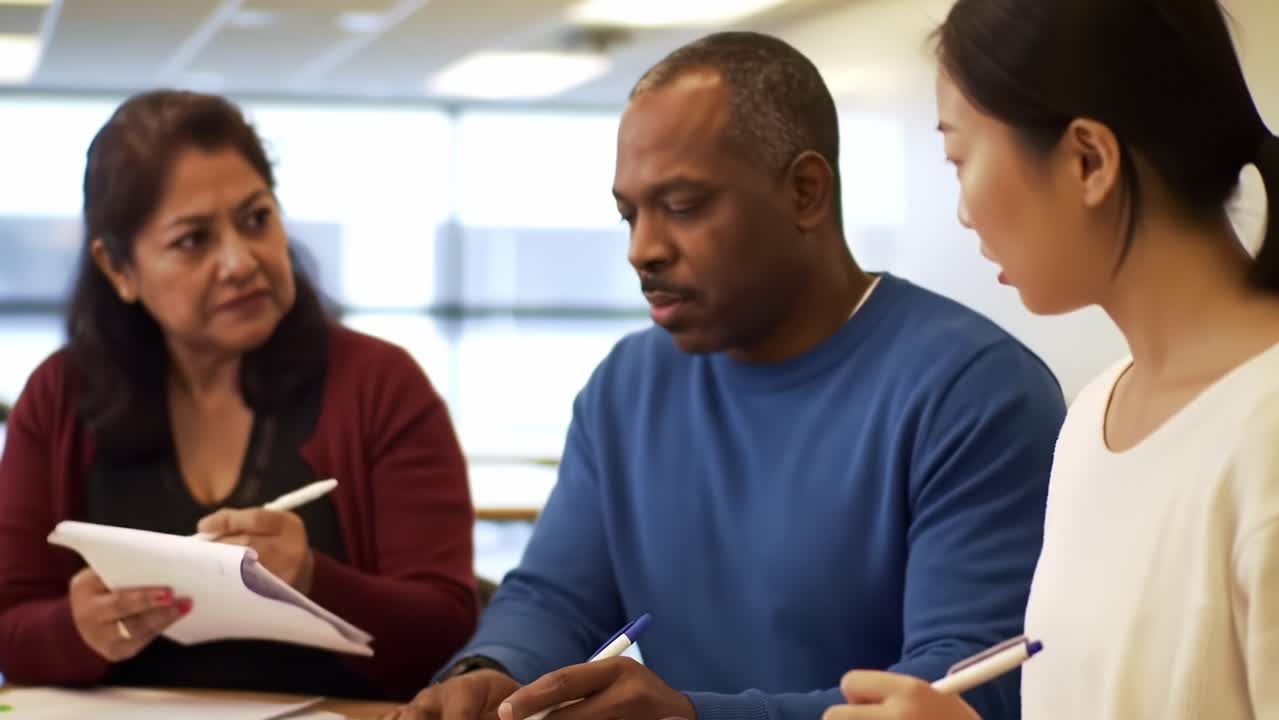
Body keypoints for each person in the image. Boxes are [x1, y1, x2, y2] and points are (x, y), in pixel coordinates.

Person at [386, 32, 1066, 720]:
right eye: (629, 214)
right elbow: (553, 599)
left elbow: (963, 687)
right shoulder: (626, 387)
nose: (642, 249)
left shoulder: (975, 392)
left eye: (682, 206)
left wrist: (695, 716)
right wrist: (491, 671)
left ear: (805, 192)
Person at [826, 1, 1279, 719]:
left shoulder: (1265, 437)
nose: (964, 212)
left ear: (1088, 161)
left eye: (960, 157)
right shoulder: (1094, 418)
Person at [0, 90, 478, 701]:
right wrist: (72, 630)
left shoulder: (380, 384)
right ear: (119, 269)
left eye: (257, 219)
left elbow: (446, 631)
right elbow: (10, 626)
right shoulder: (59, 396)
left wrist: (311, 579)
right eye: (193, 240)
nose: (240, 261)